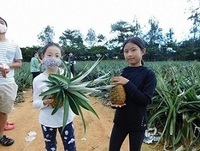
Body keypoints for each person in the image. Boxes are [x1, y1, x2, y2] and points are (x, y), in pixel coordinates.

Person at [108, 37, 157, 151]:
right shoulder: (124, 72)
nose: (129, 54)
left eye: (133, 50)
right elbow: (119, 95)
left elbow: (145, 100)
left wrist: (127, 83)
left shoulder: (149, 75)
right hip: (120, 120)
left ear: (143, 51)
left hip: (137, 123)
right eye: (126, 51)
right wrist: (114, 103)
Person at [32, 42, 76, 151]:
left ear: (61, 58)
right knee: (50, 148)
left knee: (70, 147)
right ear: (43, 56)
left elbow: (74, 95)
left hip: (66, 119)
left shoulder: (67, 75)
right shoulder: (38, 80)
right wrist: (45, 102)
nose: (53, 58)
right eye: (49, 55)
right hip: (47, 121)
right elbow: (35, 103)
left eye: (57, 56)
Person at [0, 17, 23, 146]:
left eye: (1, 22)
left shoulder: (14, 45)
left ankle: (1, 136)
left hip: (7, 83)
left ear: (6, 27)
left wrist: (8, 66)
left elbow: (19, 63)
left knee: (3, 111)